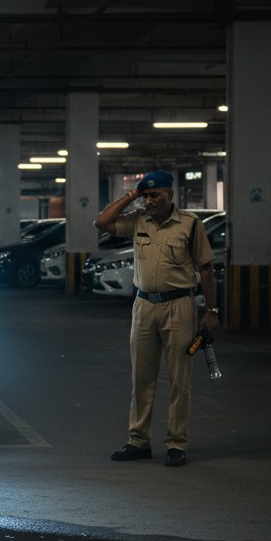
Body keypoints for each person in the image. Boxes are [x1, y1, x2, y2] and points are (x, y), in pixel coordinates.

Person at [93, 170, 220, 467]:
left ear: (170, 195)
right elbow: (101, 222)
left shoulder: (190, 224)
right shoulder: (138, 219)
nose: (150, 200)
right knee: (142, 377)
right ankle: (138, 440)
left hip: (180, 307)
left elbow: (205, 270)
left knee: (179, 379)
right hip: (144, 307)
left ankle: (176, 443)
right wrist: (131, 195)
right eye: (146, 195)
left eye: (155, 195)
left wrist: (212, 312)